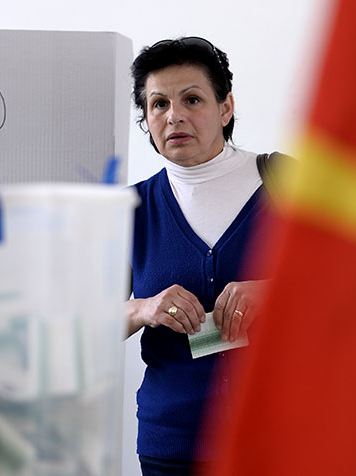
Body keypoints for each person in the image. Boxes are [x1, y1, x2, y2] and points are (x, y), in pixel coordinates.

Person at [125, 36, 272, 476]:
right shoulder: (130, 210)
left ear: (226, 108)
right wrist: (144, 308)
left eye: (192, 99)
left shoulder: (286, 183)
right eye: (159, 104)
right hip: (173, 448)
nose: (175, 116)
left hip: (281, 436)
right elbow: (83, 325)